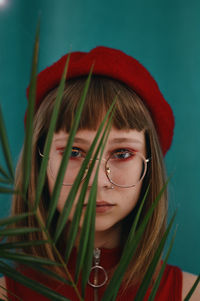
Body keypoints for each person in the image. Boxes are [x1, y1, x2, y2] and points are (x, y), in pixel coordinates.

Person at [0, 46, 199, 300]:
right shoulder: (7, 294)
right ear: (39, 161)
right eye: (73, 152)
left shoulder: (190, 294)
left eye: (122, 153)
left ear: (148, 165)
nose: (97, 181)